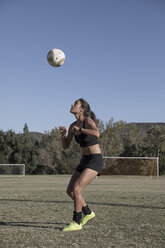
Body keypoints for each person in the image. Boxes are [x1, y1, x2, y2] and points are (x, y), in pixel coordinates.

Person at [59, 98, 103, 231]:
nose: (72, 105)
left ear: (82, 109)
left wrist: (81, 130)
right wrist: (64, 135)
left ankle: (77, 222)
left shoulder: (88, 121)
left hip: (95, 159)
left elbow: (97, 133)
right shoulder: (73, 125)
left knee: (77, 189)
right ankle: (88, 213)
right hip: (84, 160)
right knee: (70, 191)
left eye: (76, 104)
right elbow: (66, 146)